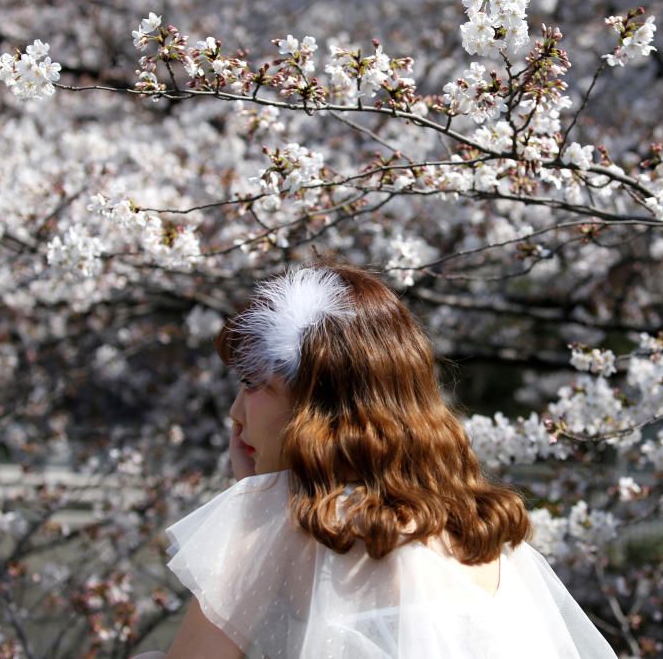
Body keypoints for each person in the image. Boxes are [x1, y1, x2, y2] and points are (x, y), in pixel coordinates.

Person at [132, 262, 618, 658]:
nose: (236, 414)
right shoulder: (487, 539)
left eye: (254, 384)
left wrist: (252, 510)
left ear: (317, 406)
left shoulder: (305, 529)